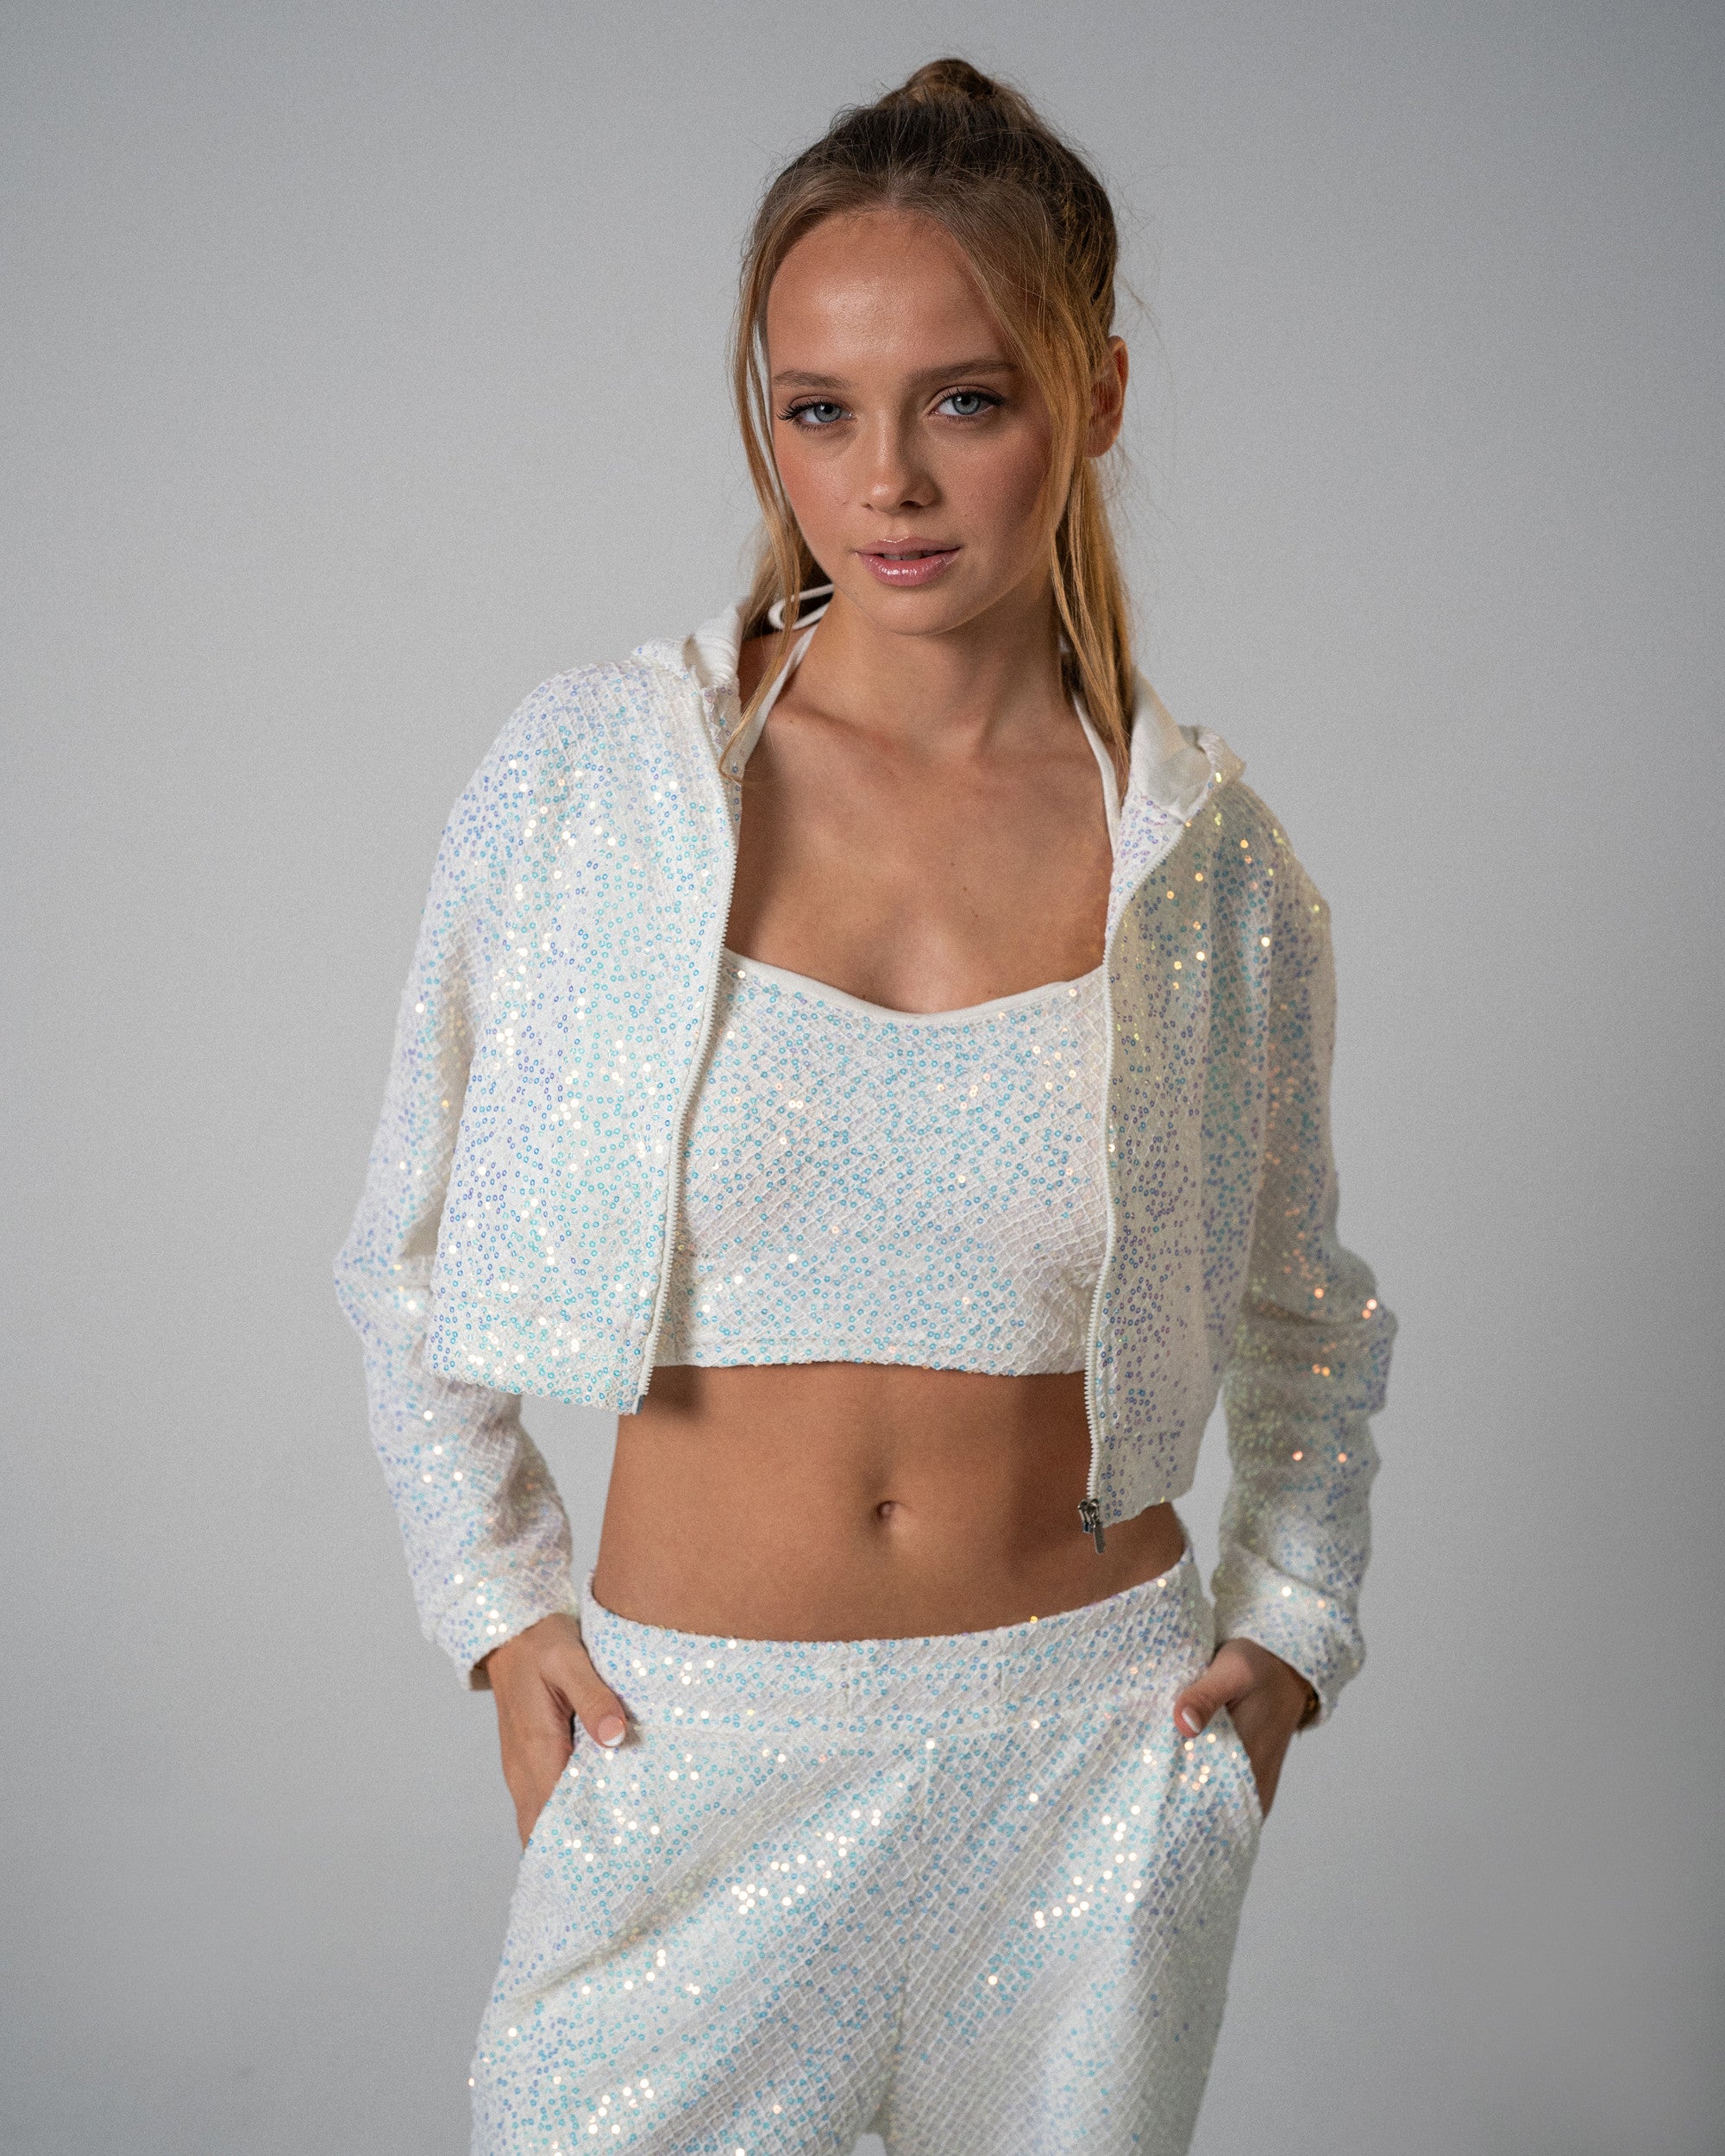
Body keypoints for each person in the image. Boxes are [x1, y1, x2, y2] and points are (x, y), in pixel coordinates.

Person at [336, 56, 1395, 2156]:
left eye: (963, 401)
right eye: (818, 408)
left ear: (1092, 397)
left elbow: (1308, 1310)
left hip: (1083, 1767)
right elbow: (406, 1244)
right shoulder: (602, 787)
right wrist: (496, 1605)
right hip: (691, 1752)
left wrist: (1285, 1634)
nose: (886, 480)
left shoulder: (1205, 864)